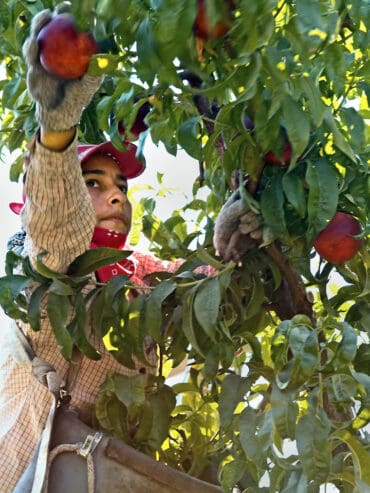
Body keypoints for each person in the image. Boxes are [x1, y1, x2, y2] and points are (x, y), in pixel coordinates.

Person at [0, 9, 260, 492]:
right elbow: (58, 227)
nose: (116, 195)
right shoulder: (39, 269)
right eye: (93, 183)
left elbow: (203, 294)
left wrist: (234, 244)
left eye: (120, 185)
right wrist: (56, 138)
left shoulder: (141, 274)